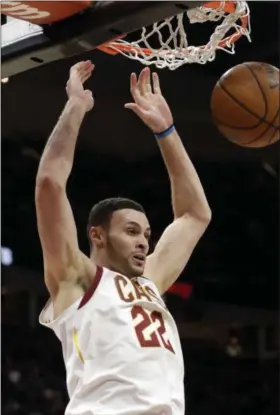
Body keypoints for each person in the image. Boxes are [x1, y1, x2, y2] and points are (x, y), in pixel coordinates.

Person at [36, 60, 211, 415]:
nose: (144, 242)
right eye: (131, 232)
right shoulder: (77, 279)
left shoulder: (149, 281)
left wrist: (167, 132)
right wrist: (75, 107)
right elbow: (50, 184)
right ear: (97, 236)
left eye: (146, 233)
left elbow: (195, 215)